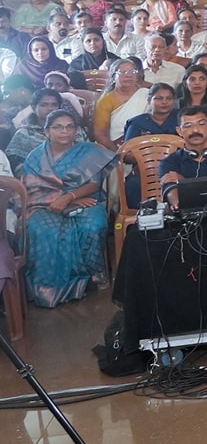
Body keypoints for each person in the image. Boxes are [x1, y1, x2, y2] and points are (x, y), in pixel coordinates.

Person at [17, 107, 114, 307]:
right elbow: (32, 188)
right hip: (43, 203)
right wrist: (61, 199)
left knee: (93, 225)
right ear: (47, 131)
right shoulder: (36, 156)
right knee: (42, 229)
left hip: (86, 198)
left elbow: (93, 185)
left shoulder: (88, 151)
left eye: (70, 127)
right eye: (58, 127)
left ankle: (92, 278)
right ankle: (48, 287)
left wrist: (70, 197)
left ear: (76, 130)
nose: (65, 131)